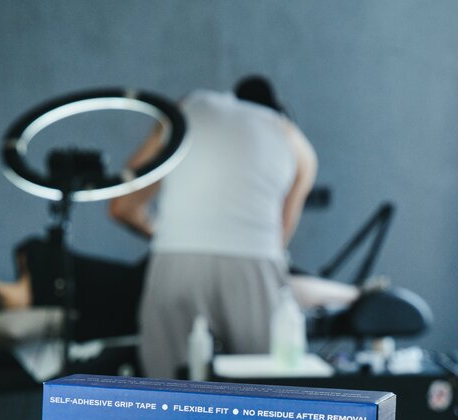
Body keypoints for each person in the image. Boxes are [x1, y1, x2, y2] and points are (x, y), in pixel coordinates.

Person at [109, 75, 359, 378]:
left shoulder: (188, 108)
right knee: (264, 391)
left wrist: (163, 233)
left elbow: (122, 205)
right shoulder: (296, 143)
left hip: (176, 261)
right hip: (253, 263)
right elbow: (278, 243)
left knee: (167, 390)